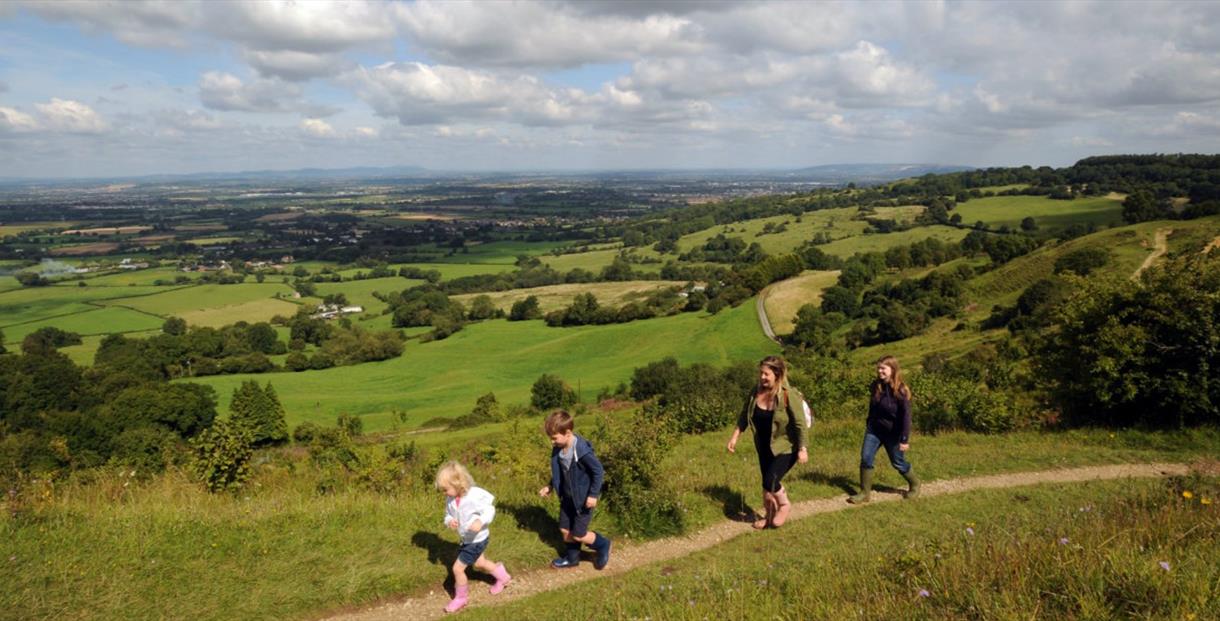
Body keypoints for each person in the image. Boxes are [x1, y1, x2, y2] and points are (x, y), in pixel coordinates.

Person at [726, 355, 810, 529]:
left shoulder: (788, 394)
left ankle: (785, 505)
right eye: (761, 373)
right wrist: (735, 436)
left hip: (786, 447)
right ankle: (769, 516)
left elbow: (800, 423)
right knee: (766, 484)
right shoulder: (755, 391)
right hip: (763, 446)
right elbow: (744, 414)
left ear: (777, 375)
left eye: (766, 374)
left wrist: (803, 448)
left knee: (770, 481)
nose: (762, 377)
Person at [538, 409, 612, 570]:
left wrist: (593, 495)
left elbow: (598, 471)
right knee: (565, 529)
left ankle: (603, 544)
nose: (552, 442)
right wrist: (550, 485)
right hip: (567, 497)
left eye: (554, 438)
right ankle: (572, 559)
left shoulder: (582, 451)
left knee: (578, 534)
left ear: (568, 432)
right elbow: (562, 472)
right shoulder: (559, 447)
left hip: (583, 500)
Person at [435, 461, 511, 613]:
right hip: (467, 539)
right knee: (480, 563)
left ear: (457, 484)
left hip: (477, 540)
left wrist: (480, 521)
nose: (444, 493)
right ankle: (503, 577)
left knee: (457, 569)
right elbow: (448, 515)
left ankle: (461, 598)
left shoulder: (474, 495)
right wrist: (450, 521)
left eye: (446, 489)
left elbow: (489, 510)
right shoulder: (450, 499)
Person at [848, 355, 919, 504]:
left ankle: (914, 484)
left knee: (897, 462)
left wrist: (904, 439)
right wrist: (869, 422)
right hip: (874, 430)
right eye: (878, 368)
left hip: (893, 433)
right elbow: (873, 406)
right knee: (866, 458)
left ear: (892, 370)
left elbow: (906, 416)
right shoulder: (876, 385)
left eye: (883, 368)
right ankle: (865, 493)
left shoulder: (901, 390)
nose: (879, 371)